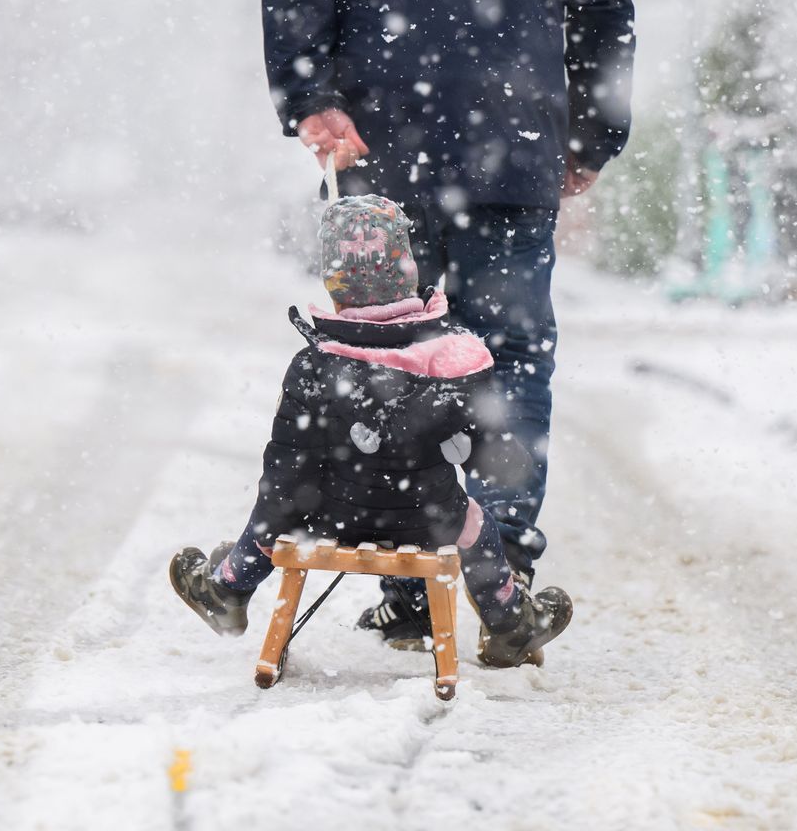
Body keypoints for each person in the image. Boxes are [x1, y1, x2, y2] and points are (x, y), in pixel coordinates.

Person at [260, 0, 635, 645]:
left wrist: (312, 97)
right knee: (505, 357)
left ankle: (403, 575)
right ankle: (497, 568)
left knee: (384, 360)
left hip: (380, 149)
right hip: (513, 146)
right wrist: (590, 130)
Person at [168, 195, 572, 668]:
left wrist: (266, 530)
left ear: (333, 281)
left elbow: (285, 472)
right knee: (477, 527)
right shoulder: (453, 360)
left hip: (328, 518)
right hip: (430, 518)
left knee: (279, 504)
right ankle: (509, 624)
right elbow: (502, 462)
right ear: (409, 270)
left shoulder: (314, 366)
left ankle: (228, 588)